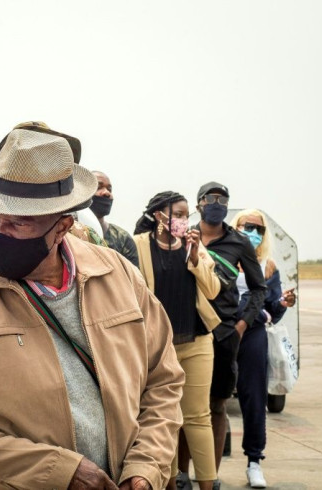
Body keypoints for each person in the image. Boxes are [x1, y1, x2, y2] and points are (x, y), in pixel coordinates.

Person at [0, 129, 185, 490]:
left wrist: (144, 469)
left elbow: (164, 381)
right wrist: (58, 473)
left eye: (18, 223)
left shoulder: (119, 275)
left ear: (62, 226)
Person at [133, 191, 221, 490]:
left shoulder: (193, 246)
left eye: (187, 216)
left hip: (196, 341)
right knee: (164, 419)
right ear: (160, 215)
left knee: (198, 417)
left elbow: (213, 290)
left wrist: (196, 258)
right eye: (179, 214)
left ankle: (208, 485)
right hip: (157, 347)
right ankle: (169, 484)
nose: (185, 221)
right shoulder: (138, 246)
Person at [184, 182, 266, 490]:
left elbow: (258, 288)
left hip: (224, 332)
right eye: (211, 198)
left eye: (223, 199)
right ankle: (182, 474)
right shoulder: (186, 236)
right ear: (199, 204)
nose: (217, 203)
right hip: (190, 330)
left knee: (217, 405)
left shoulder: (239, 242)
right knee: (186, 408)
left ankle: (210, 476)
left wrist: (243, 324)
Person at [229, 209, 297, 489]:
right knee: (211, 398)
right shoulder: (222, 258)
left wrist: (281, 304)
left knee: (254, 398)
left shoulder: (268, 266)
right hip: (223, 333)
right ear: (237, 226)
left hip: (254, 335)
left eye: (259, 228)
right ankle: (207, 459)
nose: (254, 232)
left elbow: (272, 311)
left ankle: (254, 461)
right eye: (248, 226)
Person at [90, 170, 139, 267]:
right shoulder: (68, 229)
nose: (107, 193)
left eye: (109, 189)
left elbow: (134, 279)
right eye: (98, 187)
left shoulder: (123, 238)